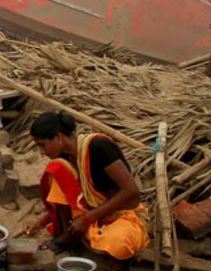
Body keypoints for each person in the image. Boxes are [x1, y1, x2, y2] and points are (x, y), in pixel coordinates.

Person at [23, 111, 150, 261]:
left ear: (58, 137)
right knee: (57, 170)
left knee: (119, 242)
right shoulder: (66, 158)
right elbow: (71, 196)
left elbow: (131, 191)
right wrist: (42, 222)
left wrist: (86, 220)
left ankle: (118, 264)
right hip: (93, 212)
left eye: (42, 145)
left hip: (121, 214)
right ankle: (69, 237)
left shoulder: (99, 147)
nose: (42, 152)